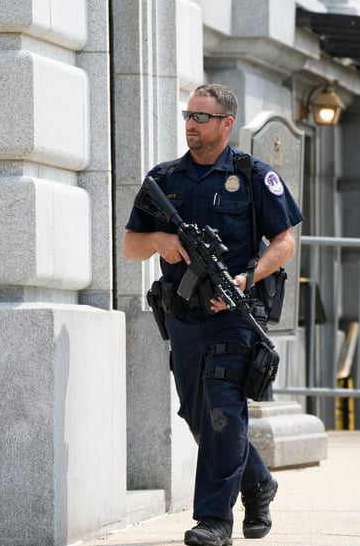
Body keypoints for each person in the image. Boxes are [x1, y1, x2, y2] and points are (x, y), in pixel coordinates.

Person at [123, 83, 304, 544]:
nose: (191, 124)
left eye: (201, 117)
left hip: (233, 317)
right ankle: (259, 482)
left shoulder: (251, 175)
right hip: (184, 318)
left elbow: (285, 242)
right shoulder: (163, 179)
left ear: (226, 124)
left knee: (223, 410)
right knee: (199, 416)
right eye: (188, 115)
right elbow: (130, 247)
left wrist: (248, 277)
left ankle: (214, 520)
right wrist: (160, 242)